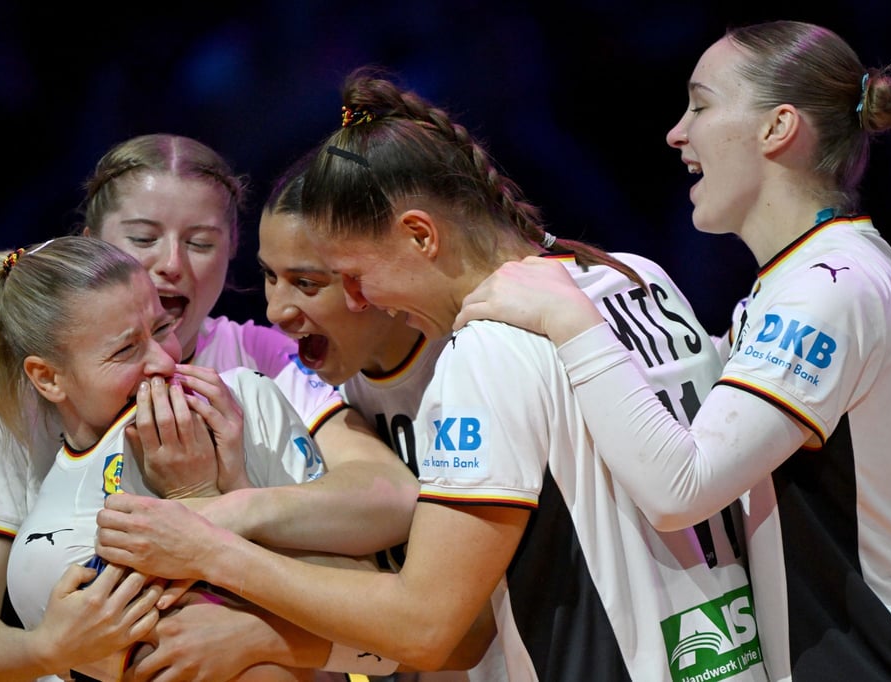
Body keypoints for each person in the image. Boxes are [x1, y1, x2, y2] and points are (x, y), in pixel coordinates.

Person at [94, 67, 769, 682]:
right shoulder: (633, 273)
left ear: (420, 235)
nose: (365, 302)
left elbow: (426, 625)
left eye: (353, 276)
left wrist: (209, 549)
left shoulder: (487, 352)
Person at [454, 20, 891, 681]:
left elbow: (681, 487)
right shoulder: (815, 275)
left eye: (701, 105)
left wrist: (569, 316)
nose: (678, 132)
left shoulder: (826, 291)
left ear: (776, 128)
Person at [0, 133, 418, 682]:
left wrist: (214, 507)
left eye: (201, 243)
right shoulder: (5, 394)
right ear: (93, 245)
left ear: (234, 250)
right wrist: (46, 648)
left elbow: (392, 495)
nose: (171, 265)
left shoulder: (262, 367)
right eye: (143, 238)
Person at [0, 235, 329, 680]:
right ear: (49, 378)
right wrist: (196, 495)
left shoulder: (250, 395)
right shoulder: (54, 547)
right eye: (126, 350)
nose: (165, 362)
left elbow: (371, 599)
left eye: (163, 328)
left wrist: (237, 488)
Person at [258, 151, 507, 682]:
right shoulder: (294, 388)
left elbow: (470, 627)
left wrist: (212, 529)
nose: (276, 310)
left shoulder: (488, 357)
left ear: (364, 274)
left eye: (306, 283)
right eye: (269, 276)